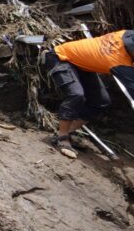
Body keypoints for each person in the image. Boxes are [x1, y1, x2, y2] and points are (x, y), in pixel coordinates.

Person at [45, 30, 134, 159]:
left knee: (101, 101)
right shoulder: (118, 60)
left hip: (83, 65)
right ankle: (62, 137)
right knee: (76, 94)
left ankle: (66, 133)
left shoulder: (124, 34)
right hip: (61, 58)